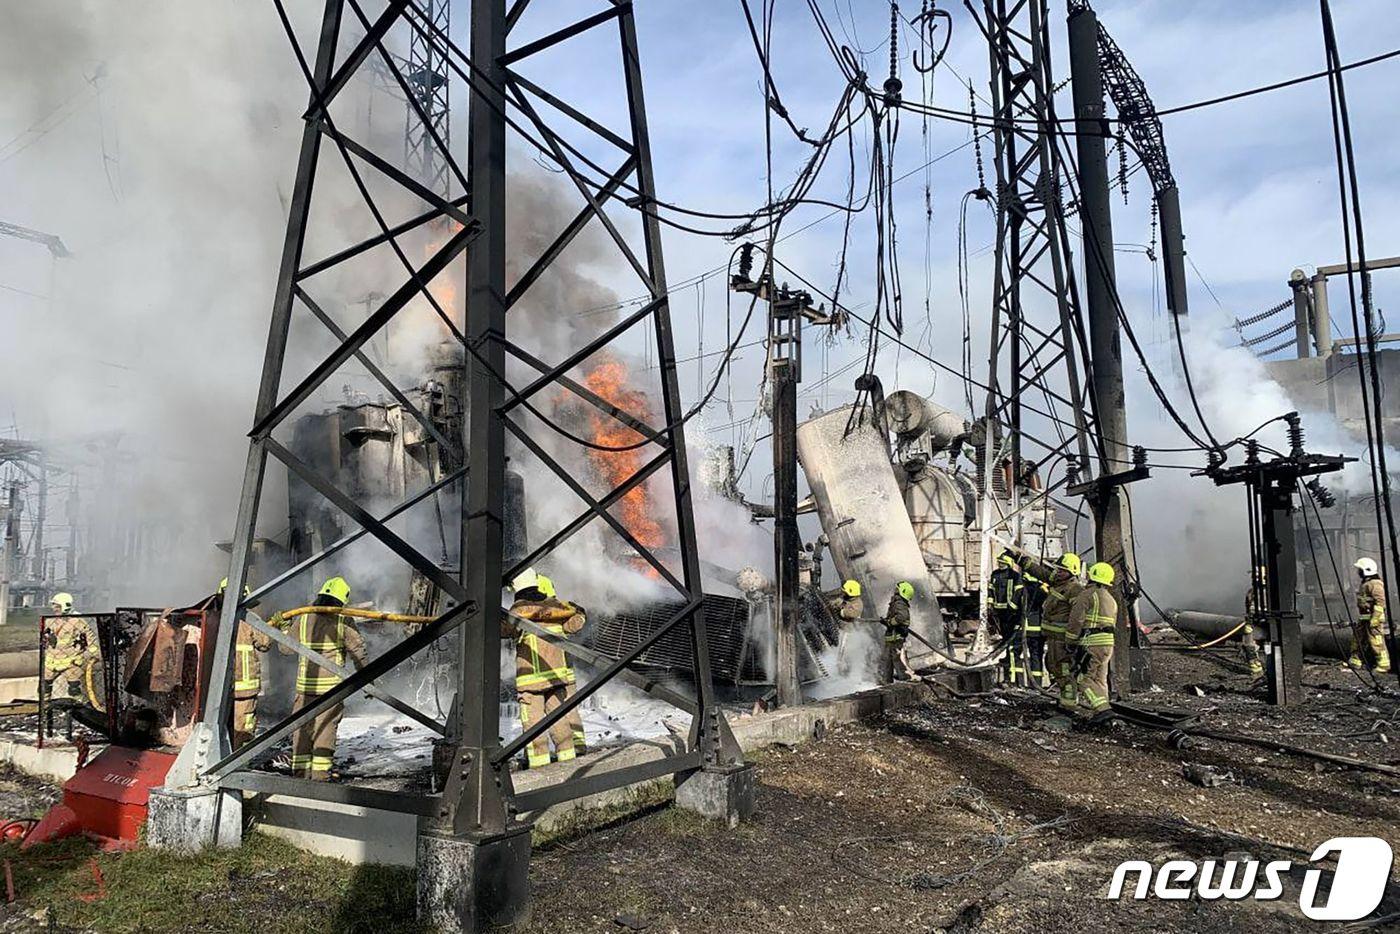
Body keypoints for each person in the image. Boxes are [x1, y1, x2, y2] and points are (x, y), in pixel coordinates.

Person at [271, 576, 367, 781]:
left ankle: (300, 776)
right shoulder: (343, 619)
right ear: (342, 600)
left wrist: (283, 628)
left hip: (304, 690)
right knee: (325, 731)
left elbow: (285, 649)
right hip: (330, 692)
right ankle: (320, 776)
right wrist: (368, 679)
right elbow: (358, 653)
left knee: (302, 732)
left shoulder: (303, 618)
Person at [505, 569, 587, 768]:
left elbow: (505, 630)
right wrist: (579, 612)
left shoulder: (518, 610)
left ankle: (539, 765)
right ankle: (569, 760)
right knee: (559, 719)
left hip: (531, 679)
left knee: (533, 723)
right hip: (556, 676)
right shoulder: (556, 607)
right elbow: (573, 625)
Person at [1015, 551, 1084, 712]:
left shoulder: (1075, 589)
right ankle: (1065, 701)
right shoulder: (1058, 583)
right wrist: (1021, 560)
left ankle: (1068, 706)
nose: (1058, 572)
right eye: (1058, 569)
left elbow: (1077, 617)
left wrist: (1072, 640)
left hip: (1063, 640)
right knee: (1054, 668)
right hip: (1052, 638)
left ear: (1072, 572)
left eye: (1062, 570)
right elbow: (1041, 572)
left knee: (1065, 672)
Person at [216, 578, 272, 751]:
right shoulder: (250, 619)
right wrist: (274, 626)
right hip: (245, 688)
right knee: (243, 730)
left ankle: (222, 757)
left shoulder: (215, 618)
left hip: (219, 690)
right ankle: (240, 760)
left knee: (220, 726)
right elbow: (265, 644)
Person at [1068, 562, 1118, 721]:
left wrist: (1070, 640)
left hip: (1092, 644)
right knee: (1100, 679)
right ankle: (1103, 713)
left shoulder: (1087, 595)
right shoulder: (1111, 600)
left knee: (1083, 679)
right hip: (1108, 646)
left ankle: (1102, 709)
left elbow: (1076, 620)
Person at [41, 592, 94, 703]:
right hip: (52, 660)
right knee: (44, 686)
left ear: (65, 606)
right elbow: (44, 637)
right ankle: (44, 705)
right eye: (54, 606)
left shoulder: (77, 620)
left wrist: (94, 652)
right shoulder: (50, 620)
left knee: (74, 688)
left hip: (71, 661)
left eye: (57, 606)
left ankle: (78, 706)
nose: (54, 609)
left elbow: (89, 636)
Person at [987, 553, 1024, 683]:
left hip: (1011, 612)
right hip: (999, 610)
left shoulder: (1015, 576)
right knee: (1004, 636)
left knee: (1010, 638)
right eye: (999, 562)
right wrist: (990, 604)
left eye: (1002, 562)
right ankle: (1007, 656)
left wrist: (1012, 606)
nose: (1000, 564)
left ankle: (1009, 658)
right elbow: (991, 589)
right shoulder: (995, 574)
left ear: (1008, 563)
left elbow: (1018, 592)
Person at [1351, 557, 1391, 673]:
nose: (1358, 572)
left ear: (1366, 570)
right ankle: (1355, 661)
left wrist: (1376, 618)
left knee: (1376, 641)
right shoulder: (1366, 583)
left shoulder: (1375, 584)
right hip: (1365, 618)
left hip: (1373, 619)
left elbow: (1380, 602)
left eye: (1360, 570)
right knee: (1358, 639)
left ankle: (1383, 665)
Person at [880, 581, 914, 683]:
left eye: (897, 589)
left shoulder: (899, 603)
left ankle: (907, 680)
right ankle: (886, 681)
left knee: (898, 661)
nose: (895, 590)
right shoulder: (897, 602)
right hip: (892, 638)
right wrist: (887, 621)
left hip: (896, 638)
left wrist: (890, 622)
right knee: (886, 661)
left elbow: (902, 617)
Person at [1021, 568, 1049, 686]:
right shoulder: (1042, 590)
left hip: (1024, 628)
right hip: (1038, 629)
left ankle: (1025, 683)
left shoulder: (1022, 588)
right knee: (1036, 656)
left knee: (1022, 655)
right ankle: (1036, 683)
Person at [1239, 570, 1266, 679]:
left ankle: (1270, 671)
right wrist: (1248, 624)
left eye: (1258, 576)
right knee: (1249, 647)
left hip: (1267, 625)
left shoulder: (1271, 593)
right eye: (1254, 577)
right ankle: (1257, 672)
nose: (1255, 579)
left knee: (1270, 649)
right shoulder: (1251, 593)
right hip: (1253, 625)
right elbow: (1248, 610)